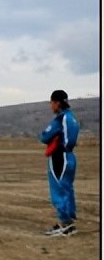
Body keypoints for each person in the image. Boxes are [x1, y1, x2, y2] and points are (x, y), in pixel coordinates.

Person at [39, 90, 79, 236]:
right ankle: (69, 222)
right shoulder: (72, 118)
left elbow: (44, 136)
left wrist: (47, 137)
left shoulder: (60, 119)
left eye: (51, 102)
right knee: (67, 189)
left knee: (58, 189)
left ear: (57, 103)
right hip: (70, 156)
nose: (51, 106)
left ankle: (65, 223)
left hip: (59, 157)